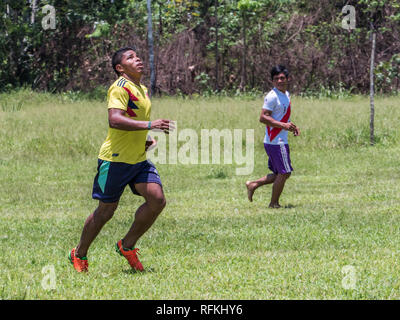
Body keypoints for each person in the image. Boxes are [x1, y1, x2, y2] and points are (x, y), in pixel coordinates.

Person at [69, 47, 173, 272]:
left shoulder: (142, 89)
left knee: (157, 200)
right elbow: (115, 120)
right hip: (115, 160)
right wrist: (150, 125)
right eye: (131, 58)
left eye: (138, 55)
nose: (138, 59)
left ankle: (127, 246)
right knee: (106, 211)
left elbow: (131, 120)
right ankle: (79, 254)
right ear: (120, 68)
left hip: (137, 160)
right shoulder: (119, 88)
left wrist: (143, 139)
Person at [246, 65, 300, 208]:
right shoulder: (271, 97)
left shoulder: (286, 94)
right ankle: (274, 204)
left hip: (280, 139)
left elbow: (282, 116)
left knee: (282, 173)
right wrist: (283, 126)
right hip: (276, 142)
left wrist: (291, 126)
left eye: (282, 78)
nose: (279, 81)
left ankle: (253, 184)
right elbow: (263, 117)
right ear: (272, 81)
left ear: (288, 79)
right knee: (284, 173)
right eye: (276, 79)